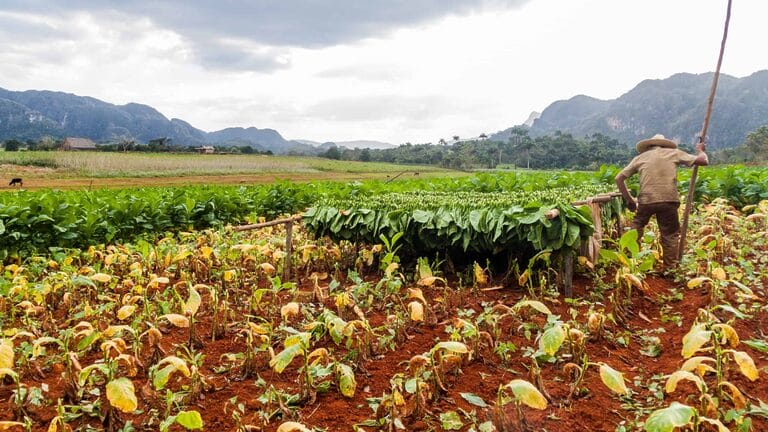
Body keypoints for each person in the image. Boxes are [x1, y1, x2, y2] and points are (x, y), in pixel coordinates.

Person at [615, 134, 708, 268]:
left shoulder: (640, 158)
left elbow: (619, 178)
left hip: (646, 200)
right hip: (669, 200)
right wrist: (701, 151)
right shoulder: (673, 153)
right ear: (665, 145)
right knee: (670, 234)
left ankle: (629, 262)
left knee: (636, 228)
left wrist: (629, 200)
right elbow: (703, 161)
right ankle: (670, 269)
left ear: (648, 146)